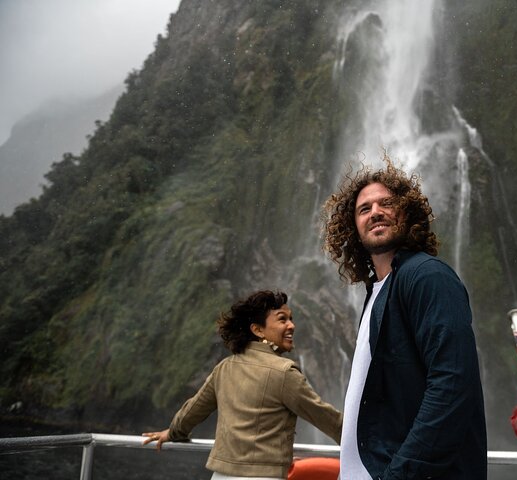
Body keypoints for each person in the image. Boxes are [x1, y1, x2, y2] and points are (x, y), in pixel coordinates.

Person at [322, 155, 488, 479]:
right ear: (353, 228)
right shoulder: (377, 292)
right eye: (364, 209)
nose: (376, 213)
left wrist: (399, 474)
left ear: (406, 212)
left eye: (386, 203)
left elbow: (452, 384)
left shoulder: (426, 276)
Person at [142, 290, 342, 480]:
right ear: (257, 329)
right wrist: (367, 441)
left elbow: (194, 410)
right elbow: (326, 418)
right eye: (282, 319)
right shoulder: (283, 373)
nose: (291, 325)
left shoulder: (225, 367)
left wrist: (173, 432)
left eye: (291, 319)